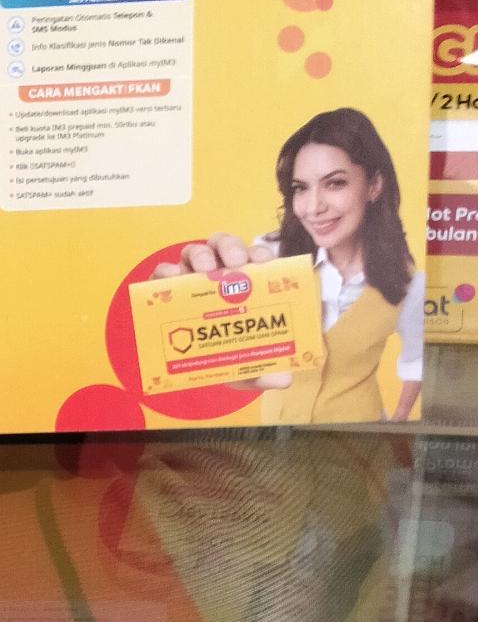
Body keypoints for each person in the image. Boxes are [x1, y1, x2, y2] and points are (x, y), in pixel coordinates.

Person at [154, 104, 422, 424]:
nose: (313, 207)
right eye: (301, 188)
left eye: (335, 183)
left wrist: (400, 421)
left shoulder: (408, 281)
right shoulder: (269, 256)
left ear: (374, 185)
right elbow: (236, 367)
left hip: (361, 441)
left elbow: (415, 360)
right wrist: (187, 305)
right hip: (275, 442)